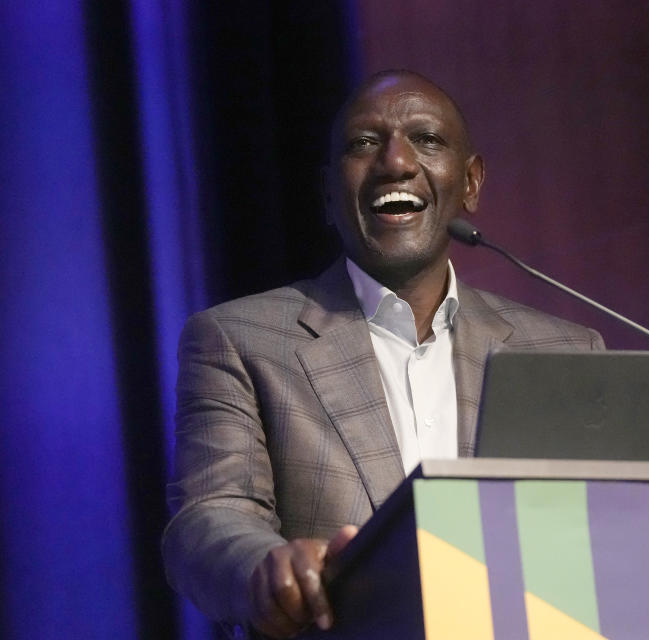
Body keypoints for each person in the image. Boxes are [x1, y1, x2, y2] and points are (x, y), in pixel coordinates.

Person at [162, 70, 604, 638]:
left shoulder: (566, 351)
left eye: (427, 139)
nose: (396, 162)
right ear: (328, 192)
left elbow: (601, 539)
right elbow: (207, 520)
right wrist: (266, 568)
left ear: (470, 183)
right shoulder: (239, 339)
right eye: (364, 143)